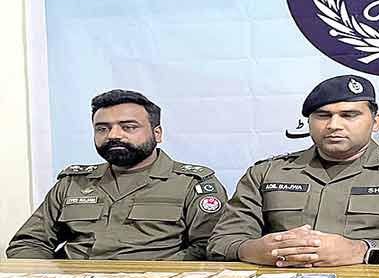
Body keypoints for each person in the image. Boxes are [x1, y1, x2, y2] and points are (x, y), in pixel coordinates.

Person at [208, 75, 379, 266]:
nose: (333, 125)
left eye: (349, 115)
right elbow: (221, 243)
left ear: (375, 123)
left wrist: (362, 251)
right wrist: (256, 250)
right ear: (309, 122)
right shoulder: (267, 173)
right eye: (323, 115)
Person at [6, 89, 227, 260]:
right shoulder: (73, 183)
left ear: (157, 133)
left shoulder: (192, 184)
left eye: (128, 127)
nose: (113, 135)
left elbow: (209, 248)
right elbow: (29, 242)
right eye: (102, 128)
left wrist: (152, 277)